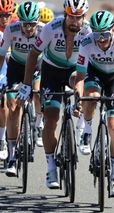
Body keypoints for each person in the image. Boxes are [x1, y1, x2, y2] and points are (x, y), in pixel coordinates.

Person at [17, 0, 91, 189]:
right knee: (51, 118)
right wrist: (26, 85)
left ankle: (81, 124)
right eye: (71, 17)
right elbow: (33, 55)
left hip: (75, 71)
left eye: (78, 17)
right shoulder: (51, 28)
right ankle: (51, 167)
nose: (74, 21)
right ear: (65, 15)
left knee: (82, 90)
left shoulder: (88, 31)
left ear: (84, 17)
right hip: (51, 70)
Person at [74, 10, 114, 196]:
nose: (101, 39)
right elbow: (79, 76)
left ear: (112, 30)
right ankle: (87, 130)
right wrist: (78, 98)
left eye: (104, 34)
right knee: (92, 95)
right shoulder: (86, 43)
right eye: (97, 35)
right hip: (94, 74)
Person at [0, 1, 44, 175]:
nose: (28, 28)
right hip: (17, 68)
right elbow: (2, 55)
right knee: (12, 106)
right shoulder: (11, 30)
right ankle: (11, 156)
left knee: (38, 94)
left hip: (38, 68)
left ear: (37, 20)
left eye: (31, 24)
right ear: (19, 21)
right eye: (24, 24)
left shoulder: (43, 30)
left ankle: (38, 125)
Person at [0, 0, 16, 161]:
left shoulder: (17, 27)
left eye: (7, 15)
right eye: (1, 15)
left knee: (6, 103)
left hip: (13, 69)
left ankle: (2, 140)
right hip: (1, 67)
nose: (4, 18)